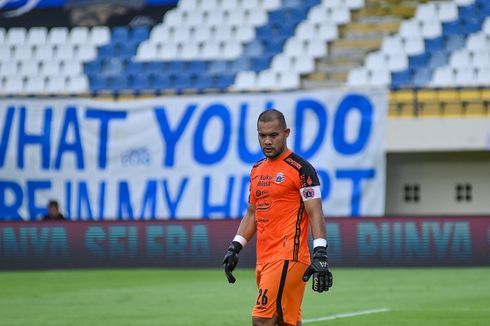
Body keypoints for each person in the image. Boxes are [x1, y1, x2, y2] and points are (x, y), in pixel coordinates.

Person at [222, 109, 333, 326]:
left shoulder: (302, 169)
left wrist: (320, 253)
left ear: (286, 133)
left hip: (288, 256)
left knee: (262, 320)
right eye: (262, 136)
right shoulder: (256, 170)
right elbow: (253, 213)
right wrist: (235, 247)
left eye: (273, 135)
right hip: (264, 258)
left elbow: (315, 212)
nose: (267, 141)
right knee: (284, 321)